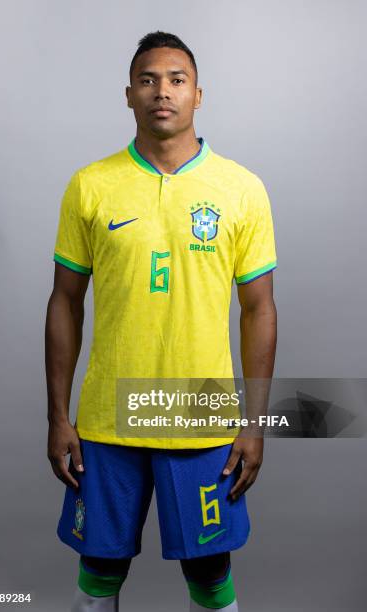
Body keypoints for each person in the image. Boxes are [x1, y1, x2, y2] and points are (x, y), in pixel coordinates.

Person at [45, 30, 277, 612]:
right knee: (98, 571)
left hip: (200, 414)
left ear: (200, 94)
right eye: (148, 80)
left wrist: (253, 424)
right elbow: (64, 301)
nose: (162, 92)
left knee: (209, 572)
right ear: (129, 94)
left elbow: (259, 309)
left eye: (177, 80)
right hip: (106, 421)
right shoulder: (91, 185)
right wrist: (57, 416)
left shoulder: (241, 189)